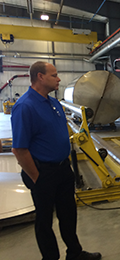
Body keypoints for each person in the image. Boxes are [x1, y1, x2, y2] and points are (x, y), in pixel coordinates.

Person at [11, 61, 101, 260]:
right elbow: (19, 148)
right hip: (43, 172)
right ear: (40, 77)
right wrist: (37, 177)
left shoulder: (54, 103)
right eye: (54, 75)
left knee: (68, 215)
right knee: (44, 221)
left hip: (62, 169)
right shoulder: (25, 106)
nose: (59, 78)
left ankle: (75, 253)